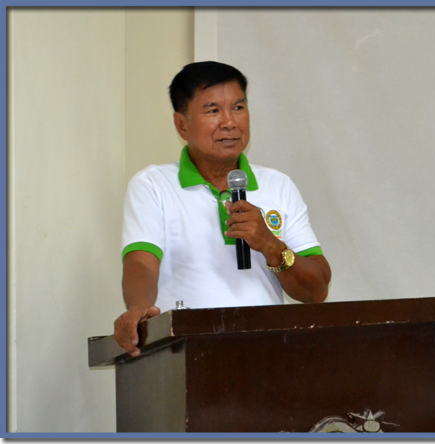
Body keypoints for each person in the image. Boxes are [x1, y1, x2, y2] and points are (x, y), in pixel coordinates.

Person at [114, 61, 331, 357]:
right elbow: (141, 263)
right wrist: (139, 308)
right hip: (187, 356)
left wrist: (270, 245)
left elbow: (317, 291)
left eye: (238, 108)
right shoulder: (153, 185)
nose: (230, 122)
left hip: (269, 354)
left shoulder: (278, 185)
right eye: (213, 110)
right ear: (182, 124)